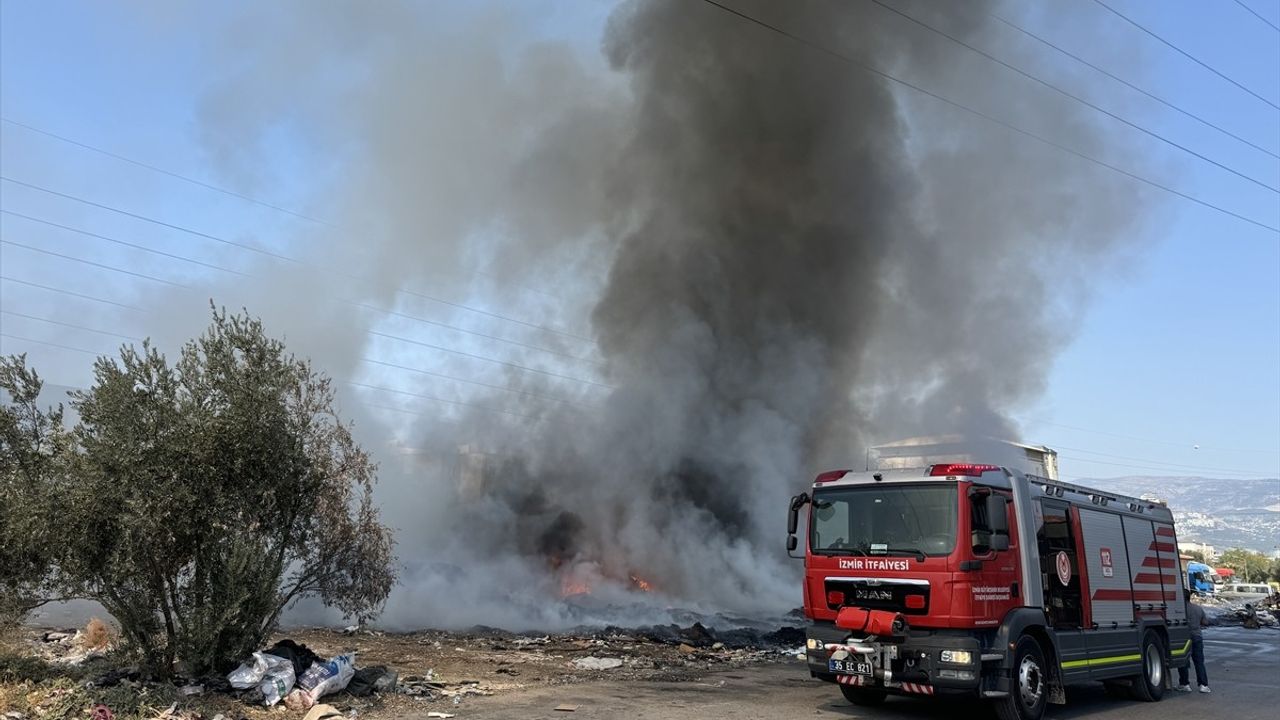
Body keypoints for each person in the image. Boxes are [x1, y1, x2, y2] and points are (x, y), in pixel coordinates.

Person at [1177, 588, 1210, 693]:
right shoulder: (1198, 609)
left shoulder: (1179, 610)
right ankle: (1203, 685)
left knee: (1183, 662)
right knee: (1199, 662)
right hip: (1197, 637)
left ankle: (1185, 684)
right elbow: (1205, 622)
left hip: (1184, 638)